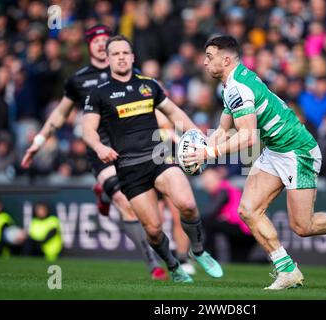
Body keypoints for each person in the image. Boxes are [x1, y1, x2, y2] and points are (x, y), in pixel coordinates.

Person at [184, 35, 326, 290]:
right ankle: (287, 270)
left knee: (302, 226)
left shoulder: (238, 87)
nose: (204, 63)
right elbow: (223, 128)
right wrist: (205, 146)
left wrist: (209, 154)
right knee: (247, 210)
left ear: (225, 60)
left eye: (209, 57)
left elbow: (248, 137)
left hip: (298, 151)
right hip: (276, 150)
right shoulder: (230, 84)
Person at [20, 25, 167, 280]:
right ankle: (153, 265)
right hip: (100, 150)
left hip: (132, 148)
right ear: (88, 46)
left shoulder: (131, 73)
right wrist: (41, 139)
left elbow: (152, 103)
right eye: (96, 41)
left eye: (105, 40)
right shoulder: (79, 79)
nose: (101, 44)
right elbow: (60, 114)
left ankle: (103, 194)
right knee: (124, 202)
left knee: (147, 210)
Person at [82, 35, 223, 283]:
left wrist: (199, 138)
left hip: (159, 158)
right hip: (128, 169)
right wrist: (97, 147)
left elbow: (174, 112)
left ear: (133, 56)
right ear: (108, 58)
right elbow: (87, 130)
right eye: (115, 54)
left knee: (187, 204)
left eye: (125, 53)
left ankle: (198, 251)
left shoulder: (149, 85)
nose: (121, 57)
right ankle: (172, 265)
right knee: (154, 230)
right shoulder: (99, 94)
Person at [201, 166, 256, 262]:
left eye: (208, 181)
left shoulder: (224, 190)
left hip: (243, 230)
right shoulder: (227, 188)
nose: (206, 185)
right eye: (204, 181)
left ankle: (206, 256)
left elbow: (211, 213)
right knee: (239, 262)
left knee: (208, 222)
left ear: (218, 178)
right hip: (246, 231)